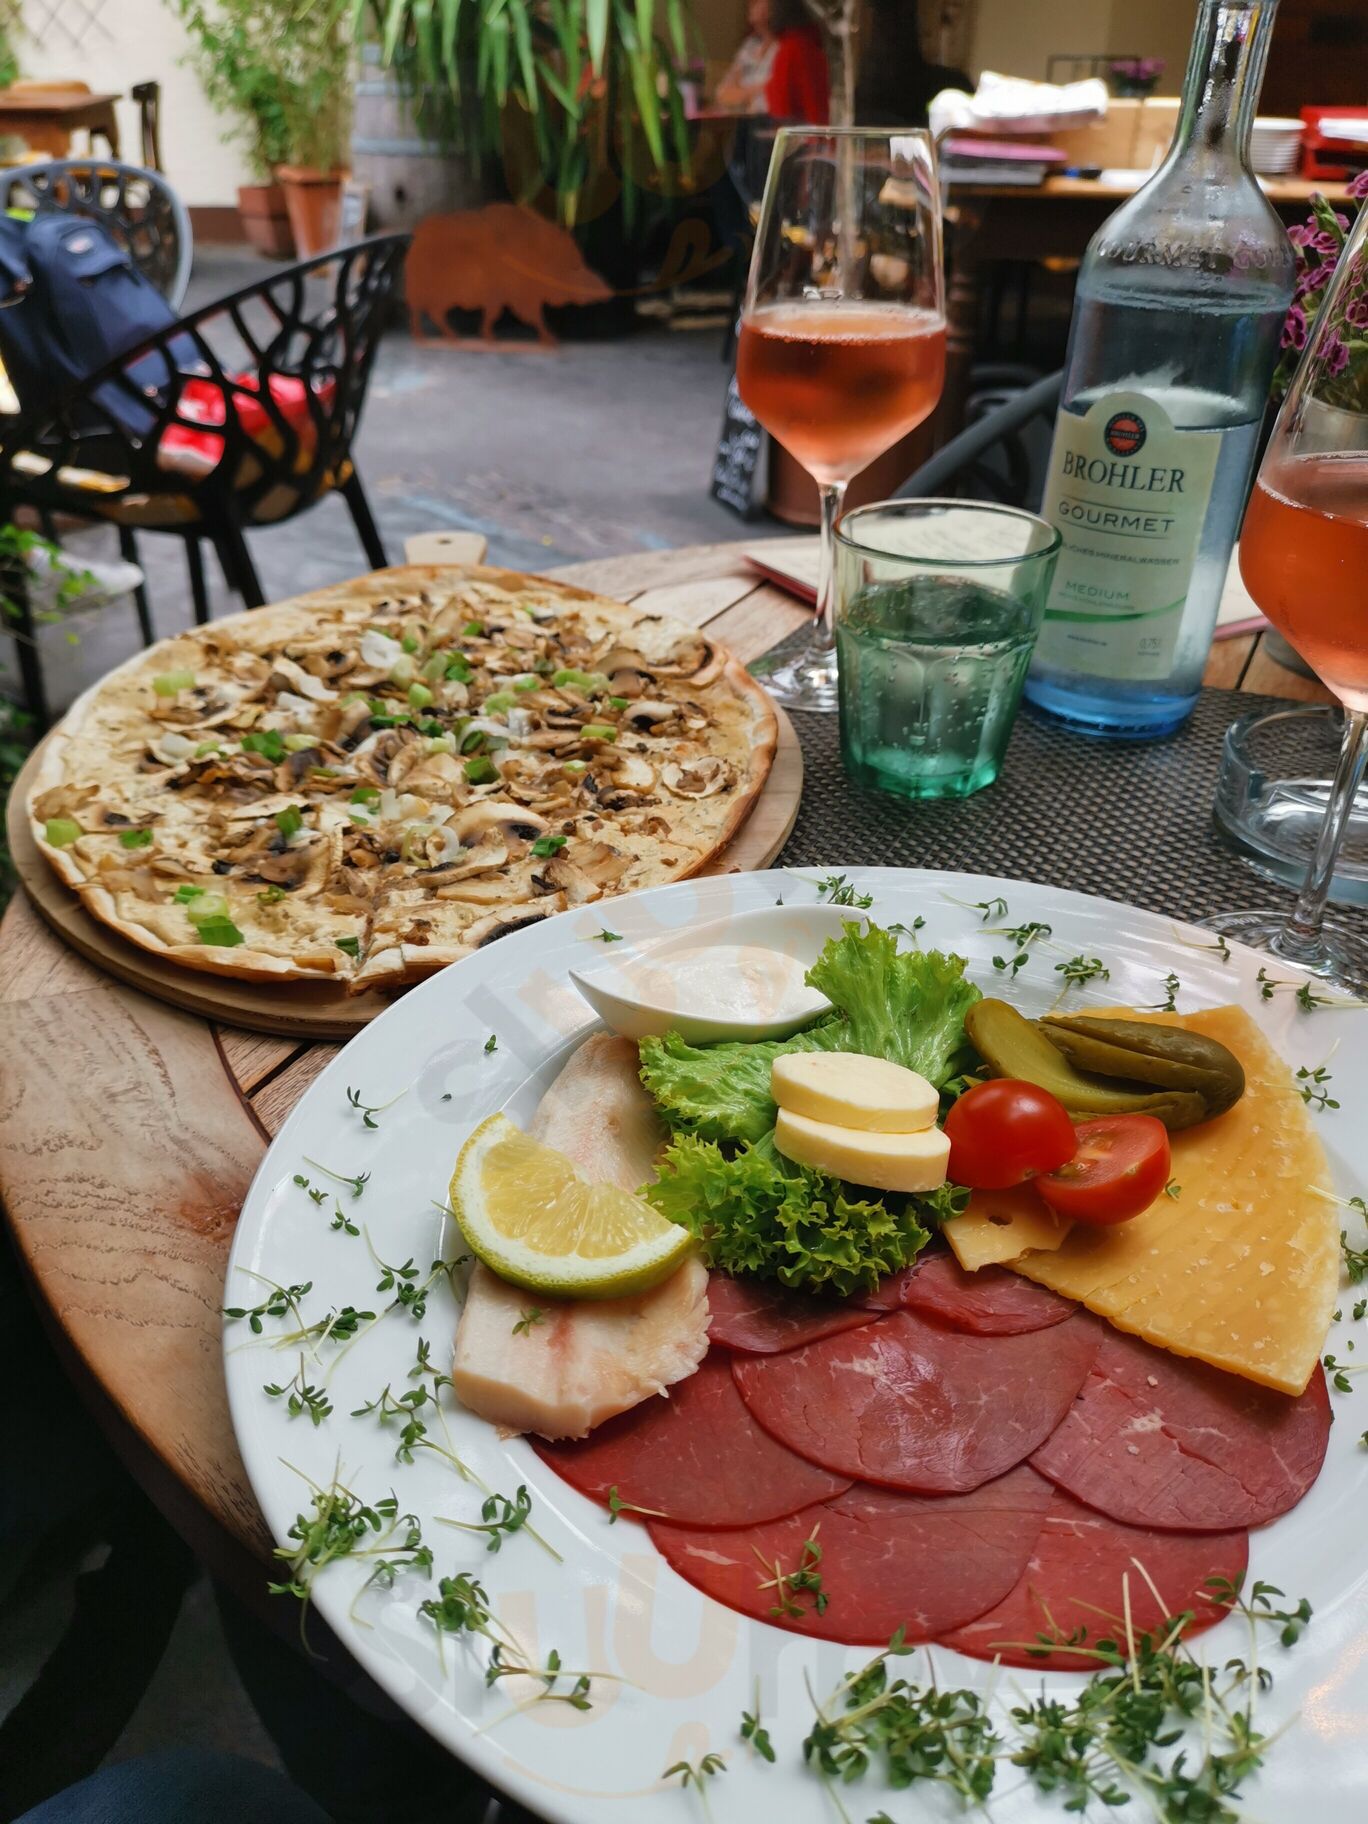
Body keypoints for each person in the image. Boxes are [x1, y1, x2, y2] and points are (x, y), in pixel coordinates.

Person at [765, 0, 829, 126]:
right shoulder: (812, 45)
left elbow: (781, 109)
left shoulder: (791, 49)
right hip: (817, 129)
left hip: (800, 131)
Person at [714, 0, 779, 115]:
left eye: (757, 2)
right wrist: (754, 91)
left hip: (770, 119)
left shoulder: (785, 48)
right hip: (743, 119)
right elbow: (723, 94)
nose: (751, 5)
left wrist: (741, 91)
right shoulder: (750, 46)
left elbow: (774, 91)